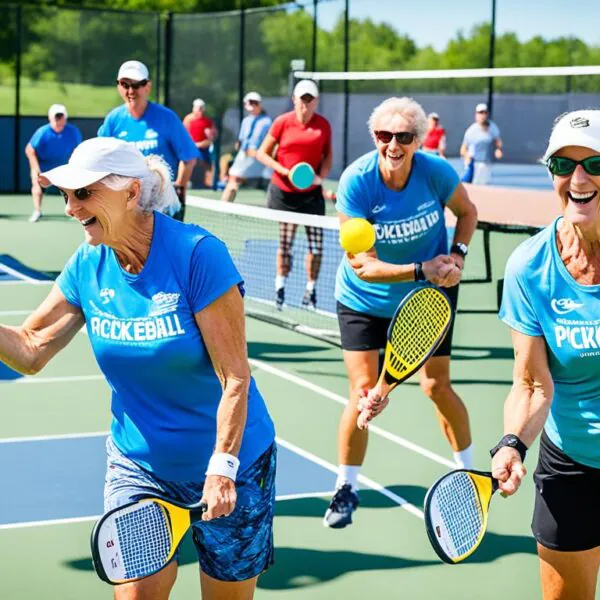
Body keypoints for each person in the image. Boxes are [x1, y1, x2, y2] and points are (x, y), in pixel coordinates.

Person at [0, 137, 276, 600]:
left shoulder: (197, 254)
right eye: (66, 195)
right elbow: (30, 348)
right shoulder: (88, 262)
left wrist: (222, 467)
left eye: (83, 194)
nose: (70, 208)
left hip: (233, 463)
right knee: (136, 594)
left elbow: (235, 377)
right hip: (140, 466)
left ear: (130, 192)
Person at [324, 97, 478, 529]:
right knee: (363, 392)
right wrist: (421, 269)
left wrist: (457, 257)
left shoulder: (435, 173)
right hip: (364, 299)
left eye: (404, 137)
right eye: (384, 135)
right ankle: (345, 487)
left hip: (430, 298)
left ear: (418, 140)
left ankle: (467, 475)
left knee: (436, 387)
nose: (393, 144)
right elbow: (365, 267)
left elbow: (467, 212)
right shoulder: (357, 182)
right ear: (374, 137)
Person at [491, 109, 600, 600]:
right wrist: (513, 443)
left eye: (595, 164)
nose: (579, 179)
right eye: (563, 165)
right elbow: (533, 384)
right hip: (570, 462)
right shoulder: (529, 268)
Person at [256, 79, 333, 310]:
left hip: (312, 196)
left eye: (310, 100)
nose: (305, 104)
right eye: (302, 99)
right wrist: (285, 171)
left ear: (316, 101)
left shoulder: (323, 126)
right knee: (286, 244)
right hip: (285, 193)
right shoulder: (282, 122)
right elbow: (262, 153)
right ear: (295, 100)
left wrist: (321, 177)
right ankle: (280, 289)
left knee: (316, 246)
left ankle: (311, 292)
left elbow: (328, 157)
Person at [98, 60, 199, 222]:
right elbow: (100, 157)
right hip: (126, 201)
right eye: (125, 84)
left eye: (137, 85)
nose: (130, 91)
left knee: (164, 246)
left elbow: (189, 158)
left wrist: (179, 187)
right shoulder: (113, 120)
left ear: (147, 86)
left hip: (162, 203)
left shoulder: (167, 118)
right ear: (118, 86)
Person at [24, 103, 82, 223]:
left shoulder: (73, 132)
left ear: (65, 118)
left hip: (64, 167)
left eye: (60, 116)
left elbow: (79, 149)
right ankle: (37, 211)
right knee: (37, 187)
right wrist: (36, 169)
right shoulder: (43, 132)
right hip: (44, 167)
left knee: (73, 188)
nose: (58, 119)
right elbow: (29, 149)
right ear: (50, 118)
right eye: (56, 116)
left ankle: (73, 211)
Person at [221, 92, 272, 203]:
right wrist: (239, 145)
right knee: (233, 178)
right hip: (244, 155)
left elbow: (270, 140)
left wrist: (259, 153)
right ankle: (224, 206)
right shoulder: (246, 120)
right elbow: (241, 139)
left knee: (269, 185)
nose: (252, 105)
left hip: (259, 157)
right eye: (250, 103)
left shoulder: (267, 121)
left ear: (260, 104)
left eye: (255, 103)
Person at [460, 103, 503, 185]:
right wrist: (467, 157)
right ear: (476, 115)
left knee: (485, 187)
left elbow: (498, 141)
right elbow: (463, 149)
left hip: (487, 164)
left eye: (485, 113)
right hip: (474, 165)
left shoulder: (493, 127)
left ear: (487, 114)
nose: (482, 115)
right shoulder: (471, 130)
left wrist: (499, 149)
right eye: (480, 113)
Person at [183, 98, 218, 188]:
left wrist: (211, 135)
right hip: (191, 147)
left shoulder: (208, 121)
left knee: (209, 164)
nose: (200, 110)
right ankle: (186, 180)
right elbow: (184, 134)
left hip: (205, 148)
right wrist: (193, 145)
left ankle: (209, 184)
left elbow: (213, 134)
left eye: (201, 108)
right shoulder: (188, 119)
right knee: (188, 162)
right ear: (193, 108)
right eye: (198, 108)